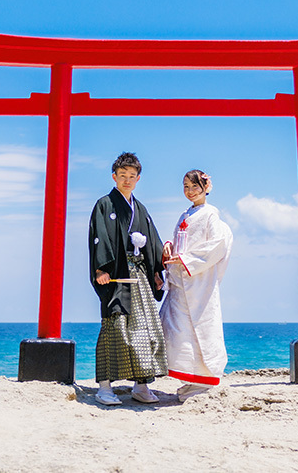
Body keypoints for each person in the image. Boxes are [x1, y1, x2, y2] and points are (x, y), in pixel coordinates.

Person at [88, 151, 167, 406]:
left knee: (146, 329)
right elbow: (99, 237)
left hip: (140, 275)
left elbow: (152, 242)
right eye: (123, 175)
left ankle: (141, 386)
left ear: (138, 178)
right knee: (115, 327)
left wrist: (156, 272)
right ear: (114, 176)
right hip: (117, 274)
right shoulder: (105, 205)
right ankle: (104, 387)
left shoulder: (140, 209)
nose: (127, 180)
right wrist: (101, 269)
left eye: (132, 176)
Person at [160, 169, 233, 402]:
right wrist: (170, 245)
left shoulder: (210, 214)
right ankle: (190, 378)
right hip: (180, 282)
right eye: (186, 187)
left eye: (195, 186)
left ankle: (203, 379)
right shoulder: (185, 214)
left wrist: (187, 259)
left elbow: (218, 244)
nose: (190, 191)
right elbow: (181, 240)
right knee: (177, 330)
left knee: (201, 328)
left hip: (199, 281)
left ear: (205, 187)